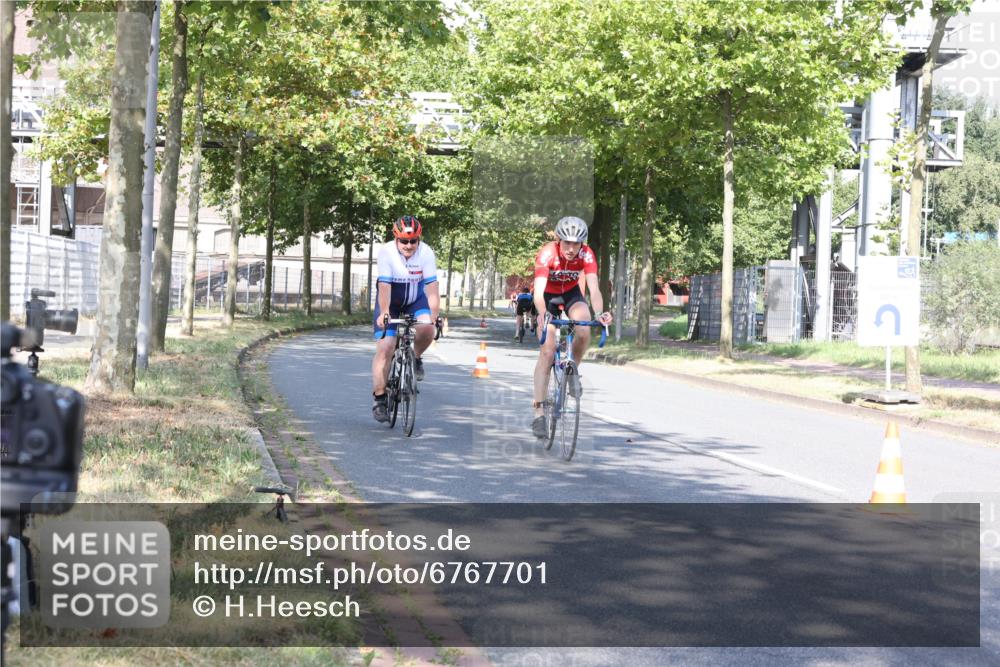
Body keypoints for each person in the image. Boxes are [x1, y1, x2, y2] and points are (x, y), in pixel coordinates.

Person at [530, 216, 613, 438]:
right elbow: (538, 293)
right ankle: (538, 412)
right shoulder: (547, 253)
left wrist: (600, 314)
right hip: (547, 297)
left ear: (582, 243)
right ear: (559, 240)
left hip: (571, 294)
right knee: (547, 351)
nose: (570, 248)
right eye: (566, 242)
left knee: (584, 327)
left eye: (576, 244)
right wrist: (542, 314)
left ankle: (571, 370)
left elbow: (594, 289)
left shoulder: (587, 254)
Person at [371, 215, 439, 423]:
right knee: (386, 347)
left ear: (419, 239)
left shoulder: (426, 252)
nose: (409, 245)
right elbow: (384, 286)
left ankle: (415, 357)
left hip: (415, 299)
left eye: (413, 241)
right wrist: (384, 312)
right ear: (396, 239)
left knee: (428, 328)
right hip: (390, 300)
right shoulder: (387, 252)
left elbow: (432, 287)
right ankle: (380, 399)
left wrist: (435, 316)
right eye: (404, 241)